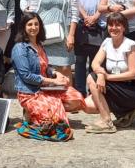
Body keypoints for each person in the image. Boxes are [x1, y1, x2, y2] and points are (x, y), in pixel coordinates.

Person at [11, 12, 85, 141]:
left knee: (77, 99)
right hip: (30, 93)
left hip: (46, 89)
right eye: (29, 24)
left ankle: (44, 109)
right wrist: (54, 81)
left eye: (36, 24)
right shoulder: (19, 48)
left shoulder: (39, 45)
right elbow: (26, 76)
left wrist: (57, 73)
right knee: (58, 122)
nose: (33, 27)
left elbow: (46, 67)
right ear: (23, 27)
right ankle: (36, 111)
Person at [83, 12, 135, 133]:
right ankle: (125, 113)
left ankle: (106, 121)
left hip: (130, 88)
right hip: (114, 85)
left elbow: (133, 73)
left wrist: (107, 77)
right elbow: (95, 63)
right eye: (111, 25)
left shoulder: (131, 45)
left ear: (124, 28)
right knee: (87, 105)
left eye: (118, 25)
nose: (114, 28)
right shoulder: (107, 42)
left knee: (91, 78)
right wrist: (101, 74)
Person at [69, 0, 112, 96]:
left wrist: (95, 16)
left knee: (96, 61)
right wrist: (85, 16)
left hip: (99, 23)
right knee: (80, 61)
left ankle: (94, 94)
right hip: (81, 23)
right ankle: (80, 93)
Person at [36, 0, 78, 80]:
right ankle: (49, 98)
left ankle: (68, 98)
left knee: (65, 68)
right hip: (43, 34)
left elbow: (74, 13)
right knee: (43, 67)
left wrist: (71, 35)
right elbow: (33, 11)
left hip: (63, 33)